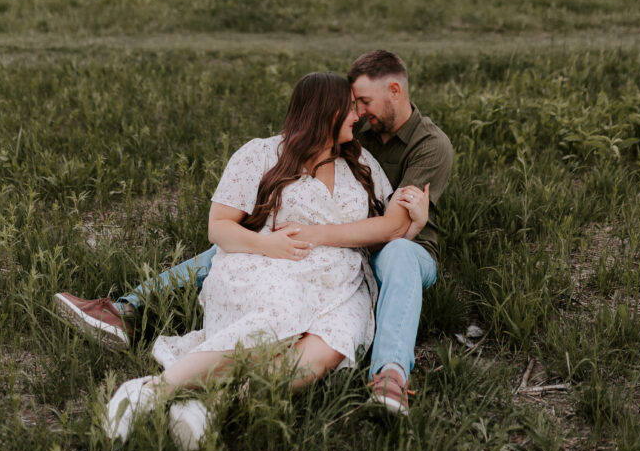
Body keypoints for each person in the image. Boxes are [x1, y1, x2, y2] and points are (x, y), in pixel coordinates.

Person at [55, 50, 453, 416]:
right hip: (293, 257)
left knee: (384, 267)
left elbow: (397, 224)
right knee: (241, 259)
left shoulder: (422, 147)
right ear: (325, 114)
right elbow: (223, 225)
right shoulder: (315, 145)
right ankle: (133, 319)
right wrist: (267, 242)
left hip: (390, 253)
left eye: (362, 103)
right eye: (351, 106)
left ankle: (389, 373)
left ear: (394, 91)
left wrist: (323, 233)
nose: (358, 114)